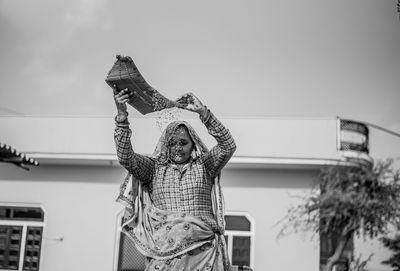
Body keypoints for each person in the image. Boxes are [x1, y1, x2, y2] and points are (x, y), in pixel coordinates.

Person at [113, 88, 236, 271]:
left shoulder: (205, 166)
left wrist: (204, 113)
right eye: (172, 143)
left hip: (204, 255)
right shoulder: (154, 169)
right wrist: (122, 115)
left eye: (183, 143)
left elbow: (228, 146)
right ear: (165, 145)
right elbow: (126, 157)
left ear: (193, 144)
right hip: (165, 258)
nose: (177, 148)